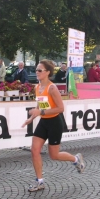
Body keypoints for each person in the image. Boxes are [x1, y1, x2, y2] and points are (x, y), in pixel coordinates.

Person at [22, 59, 85, 192]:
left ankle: (76, 159)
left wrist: (40, 112)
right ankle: (39, 181)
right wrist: (32, 118)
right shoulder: (37, 87)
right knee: (34, 150)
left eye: (40, 70)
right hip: (44, 122)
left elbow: (60, 108)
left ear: (48, 72)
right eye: (36, 70)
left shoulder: (52, 88)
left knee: (54, 155)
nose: (37, 72)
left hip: (55, 122)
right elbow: (40, 105)